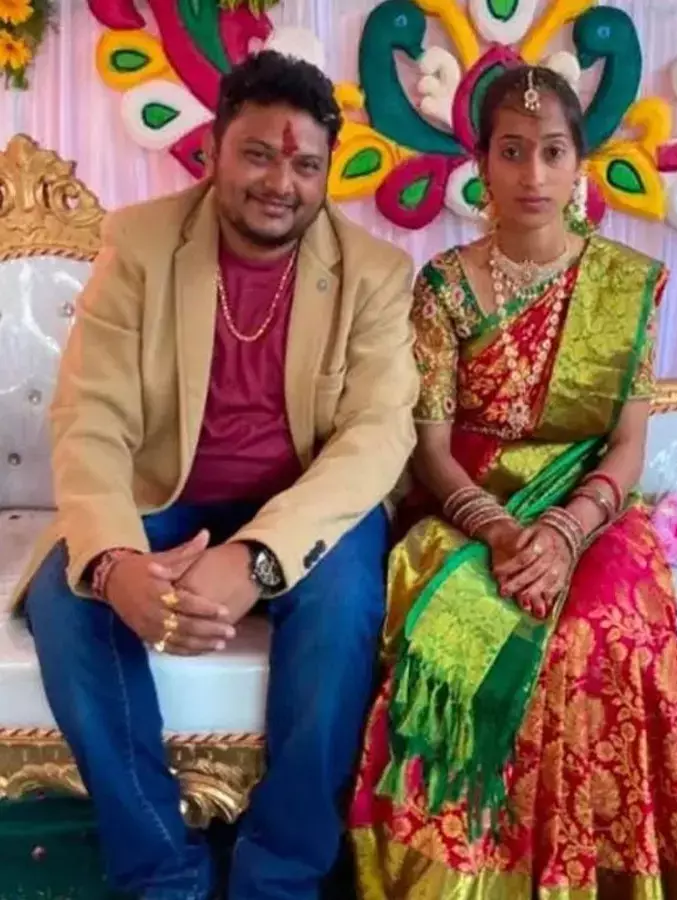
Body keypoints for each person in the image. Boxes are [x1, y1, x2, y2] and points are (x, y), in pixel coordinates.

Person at [8, 51, 419, 899]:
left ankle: (281, 877)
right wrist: (115, 563)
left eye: (305, 165)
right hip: (167, 498)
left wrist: (258, 560)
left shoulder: (374, 274)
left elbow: (378, 436)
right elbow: (91, 416)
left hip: (305, 510)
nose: (281, 183)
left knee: (344, 607)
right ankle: (163, 873)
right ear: (212, 152)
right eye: (258, 155)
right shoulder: (142, 245)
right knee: (65, 598)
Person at [346, 65, 677, 899]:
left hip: (589, 506)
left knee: (603, 629)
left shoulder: (626, 284)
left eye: (553, 151)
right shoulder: (444, 286)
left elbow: (626, 444)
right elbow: (430, 448)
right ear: (482, 164)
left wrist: (561, 530)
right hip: (467, 510)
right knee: (463, 627)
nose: (533, 174)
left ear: (578, 164)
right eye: (512, 151)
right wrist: (500, 530)